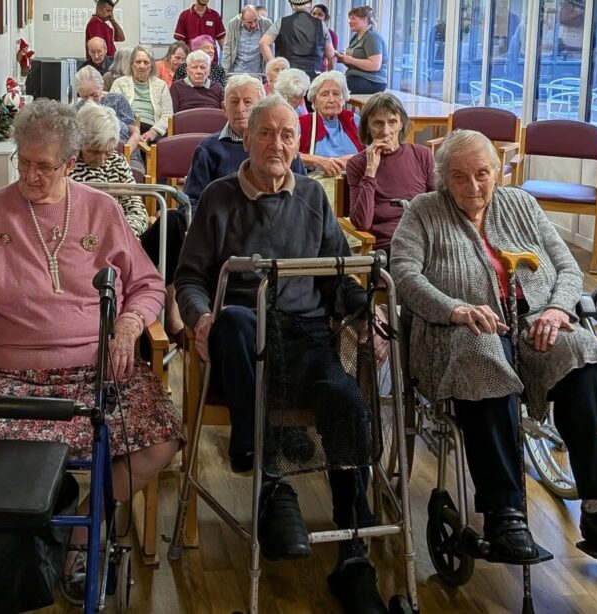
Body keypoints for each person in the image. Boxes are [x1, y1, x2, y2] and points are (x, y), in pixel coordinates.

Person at [389, 130, 597, 567]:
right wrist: (456, 309)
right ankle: (505, 515)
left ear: (498, 172)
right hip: (454, 333)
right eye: (460, 177)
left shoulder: (522, 203)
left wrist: (558, 310)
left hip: (534, 325)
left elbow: (566, 266)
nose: (474, 186)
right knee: (483, 358)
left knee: (583, 350)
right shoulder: (424, 212)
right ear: (443, 180)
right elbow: (405, 276)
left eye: (482, 174)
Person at [0, 99, 182, 605]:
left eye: (43, 165)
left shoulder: (101, 209)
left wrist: (129, 325)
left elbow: (147, 284)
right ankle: (45, 523)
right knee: (7, 459)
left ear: (71, 163)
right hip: (14, 376)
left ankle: (81, 533)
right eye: (23, 162)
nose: (30, 174)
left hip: (97, 370)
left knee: (160, 440)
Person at [175, 95, 389, 613]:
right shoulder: (219, 198)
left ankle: (353, 552)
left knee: (347, 406)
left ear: (299, 144)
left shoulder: (313, 197)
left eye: (287, 135)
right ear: (247, 139)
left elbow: (340, 279)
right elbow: (189, 279)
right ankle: (271, 481)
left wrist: (368, 316)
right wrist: (201, 317)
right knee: (238, 317)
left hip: (305, 340)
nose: (277, 144)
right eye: (266, 134)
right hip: (239, 346)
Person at [182, 75, 306, 215]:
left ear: (262, 107)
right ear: (224, 107)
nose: (240, 109)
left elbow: (304, 196)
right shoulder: (208, 149)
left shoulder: (280, 148)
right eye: (234, 102)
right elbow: (190, 203)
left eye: (247, 102)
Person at [346, 93, 434, 252]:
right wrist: (370, 171)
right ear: (367, 127)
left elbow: (438, 205)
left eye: (392, 122)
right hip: (387, 245)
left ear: (401, 124)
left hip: (423, 240)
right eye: (378, 124)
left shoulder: (422, 155)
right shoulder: (357, 164)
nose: (386, 131)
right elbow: (362, 223)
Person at [70, 103, 149, 236]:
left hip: (118, 236)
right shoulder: (65, 163)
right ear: (79, 141)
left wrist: (123, 234)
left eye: (108, 152)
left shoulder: (117, 161)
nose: (101, 160)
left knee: (172, 219)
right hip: (77, 237)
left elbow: (136, 211)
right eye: (94, 152)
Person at [299, 70, 362, 177]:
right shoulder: (302, 123)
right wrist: (316, 160)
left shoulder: (353, 120)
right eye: (325, 94)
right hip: (318, 184)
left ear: (343, 99)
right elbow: (287, 154)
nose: (332, 99)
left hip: (353, 181)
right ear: (314, 101)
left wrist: (357, 159)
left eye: (336, 94)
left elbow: (373, 150)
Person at [110, 45, 173, 143]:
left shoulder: (161, 85)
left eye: (146, 62)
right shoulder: (119, 83)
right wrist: (132, 130)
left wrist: (153, 132)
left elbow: (167, 115)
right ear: (131, 64)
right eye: (138, 62)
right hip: (127, 128)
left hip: (152, 129)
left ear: (151, 66)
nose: (142, 66)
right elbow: (112, 111)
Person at [260, 0, 335, 80]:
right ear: (310, 5)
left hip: (287, 76)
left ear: (292, 5)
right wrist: (329, 78)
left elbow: (263, 43)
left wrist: (275, 67)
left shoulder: (281, 22)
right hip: (313, 77)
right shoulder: (321, 25)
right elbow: (331, 56)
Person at [73, 65, 139, 155]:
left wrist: (126, 153)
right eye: (85, 97)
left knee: (135, 169)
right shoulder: (77, 110)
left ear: (102, 86)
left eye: (94, 95)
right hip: (93, 157)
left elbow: (135, 132)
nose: (90, 100)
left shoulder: (118, 100)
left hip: (127, 152)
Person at [335, 6, 388, 95]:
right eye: (349, 19)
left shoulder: (372, 37)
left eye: (353, 18)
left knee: (334, 86)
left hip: (372, 81)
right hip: (356, 78)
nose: (350, 21)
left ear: (364, 20)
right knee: (330, 82)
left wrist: (350, 60)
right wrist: (343, 59)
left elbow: (375, 65)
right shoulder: (355, 37)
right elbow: (355, 64)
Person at [223, 4, 272, 76]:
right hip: (236, 73)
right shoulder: (233, 23)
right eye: (249, 22)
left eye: (256, 20)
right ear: (242, 20)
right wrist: (225, 73)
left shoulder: (267, 24)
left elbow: (270, 50)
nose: (254, 25)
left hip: (257, 74)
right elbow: (227, 49)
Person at [310, 3, 337, 70]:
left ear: (325, 19)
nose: (316, 16)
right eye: (314, 13)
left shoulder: (331, 35)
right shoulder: (304, 31)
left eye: (320, 14)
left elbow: (332, 58)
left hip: (321, 70)